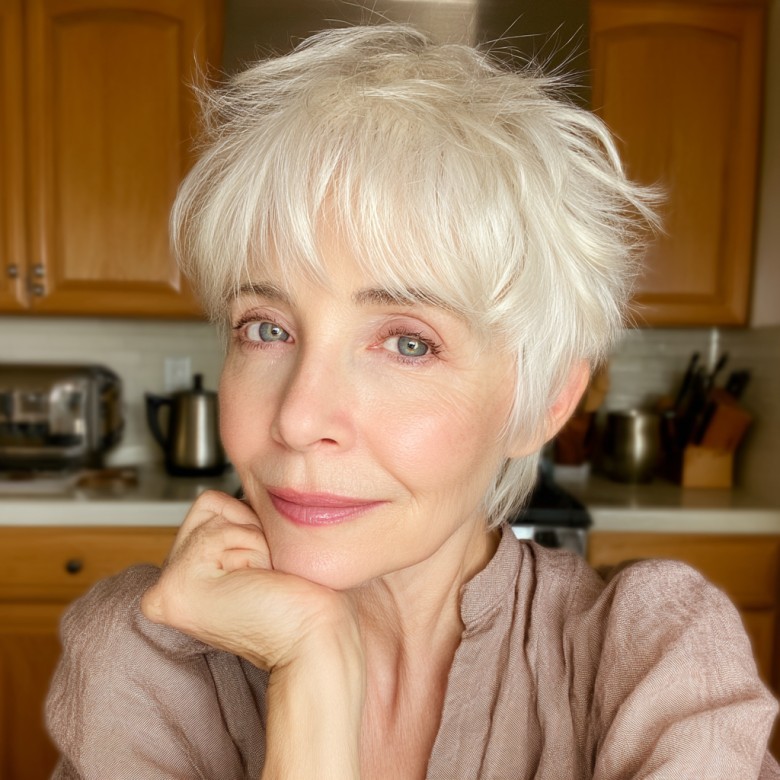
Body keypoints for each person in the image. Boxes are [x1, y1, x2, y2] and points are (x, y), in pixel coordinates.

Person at [46, 24, 778, 779]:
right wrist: (312, 667)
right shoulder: (147, 658)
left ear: (545, 402)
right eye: (266, 328)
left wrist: (313, 674)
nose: (298, 419)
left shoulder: (656, 666)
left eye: (407, 343)